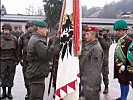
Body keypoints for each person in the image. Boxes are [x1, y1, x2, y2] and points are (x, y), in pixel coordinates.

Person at [26, 20, 60, 100]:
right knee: (36, 97)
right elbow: (47, 55)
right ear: (39, 29)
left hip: (37, 72)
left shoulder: (36, 38)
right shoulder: (37, 41)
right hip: (36, 74)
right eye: (45, 28)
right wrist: (56, 43)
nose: (47, 30)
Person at [80, 26, 103, 100]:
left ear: (93, 35)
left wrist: (90, 85)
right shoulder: (89, 45)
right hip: (86, 80)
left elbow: (95, 69)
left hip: (91, 83)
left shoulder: (96, 49)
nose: (85, 36)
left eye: (87, 34)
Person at [113, 20, 133, 100]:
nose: (118, 32)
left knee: (125, 82)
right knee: (121, 81)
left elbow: (131, 55)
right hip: (119, 66)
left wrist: (125, 65)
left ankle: (124, 98)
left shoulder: (129, 41)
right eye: (117, 30)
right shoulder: (120, 40)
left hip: (126, 67)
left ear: (125, 31)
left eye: (120, 30)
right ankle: (122, 96)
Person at [0, 23, 18, 99]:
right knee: (2, 76)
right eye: (5, 29)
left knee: (11, 76)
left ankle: (9, 92)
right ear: (3, 30)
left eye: (7, 29)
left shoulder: (14, 39)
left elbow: (17, 50)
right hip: (2, 60)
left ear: (10, 30)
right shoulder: (0, 38)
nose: (6, 31)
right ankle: (3, 92)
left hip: (11, 60)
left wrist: (17, 60)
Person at [18, 21, 34, 99]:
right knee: (26, 77)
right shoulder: (22, 37)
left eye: (32, 27)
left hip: (34, 62)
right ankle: (28, 92)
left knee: (34, 78)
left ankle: (33, 93)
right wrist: (20, 59)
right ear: (27, 28)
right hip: (25, 61)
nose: (30, 28)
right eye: (29, 27)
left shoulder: (37, 36)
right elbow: (19, 49)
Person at [98, 28, 111, 94]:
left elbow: (106, 46)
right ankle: (98, 86)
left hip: (104, 60)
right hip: (97, 59)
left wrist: (102, 39)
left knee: (105, 74)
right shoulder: (98, 38)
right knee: (97, 74)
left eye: (103, 32)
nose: (102, 33)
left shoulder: (108, 39)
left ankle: (106, 87)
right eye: (101, 32)